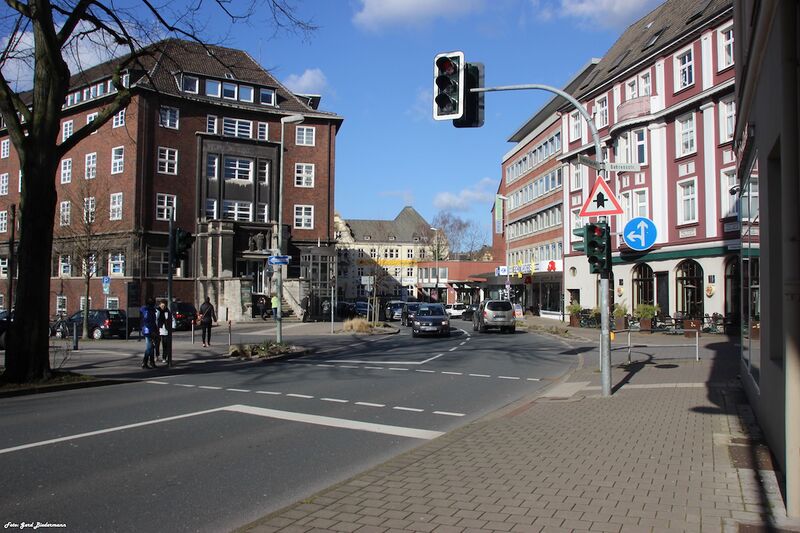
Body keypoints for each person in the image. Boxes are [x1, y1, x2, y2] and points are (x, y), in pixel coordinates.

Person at [140, 297, 158, 369]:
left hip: (148, 330)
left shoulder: (149, 310)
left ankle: (151, 362)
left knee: (151, 347)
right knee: (149, 347)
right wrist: (153, 331)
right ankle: (145, 362)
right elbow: (148, 321)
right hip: (148, 330)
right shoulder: (148, 311)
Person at [156, 299, 173, 366]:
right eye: (162, 305)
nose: (163, 307)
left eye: (164, 305)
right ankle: (157, 355)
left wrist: (172, 327)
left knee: (165, 344)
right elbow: (155, 319)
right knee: (157, 344)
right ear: (160, 305)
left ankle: (164, 357)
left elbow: (171, 318)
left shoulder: (167, 311)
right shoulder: (157, 310)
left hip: (165, 330)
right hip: (158, 329)